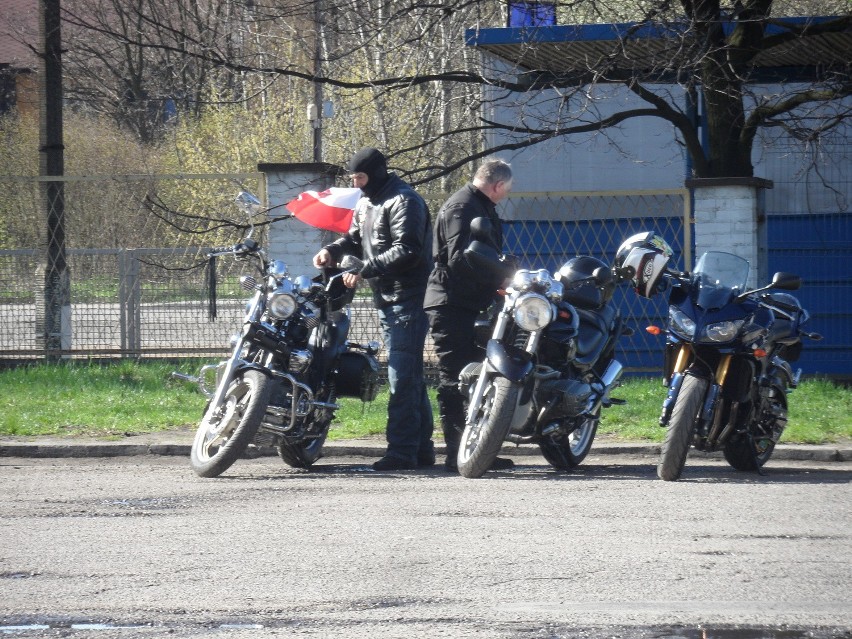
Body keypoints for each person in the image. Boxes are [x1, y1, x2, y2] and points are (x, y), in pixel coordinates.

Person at [313, 147, 435, 471]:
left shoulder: (404, 201)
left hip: (409, 298)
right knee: (408, 375)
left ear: (377, 172)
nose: (357, 184)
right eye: (353, 179)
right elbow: (353, 240)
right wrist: (330, 250)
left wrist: (365, 269)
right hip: (387, 299)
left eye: (361, 177)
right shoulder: (367, 202)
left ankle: (402, 452)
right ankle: (421, 450)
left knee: (400, 376)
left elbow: (408, 249)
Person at [424, 158, 515, 472]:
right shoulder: (463, 208)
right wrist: (498, 278)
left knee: (478, 377)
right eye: (507, 188)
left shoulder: (480, 206)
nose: (506, 193)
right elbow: (460, 258)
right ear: (498, 185)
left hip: (470, 303)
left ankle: (478, 448)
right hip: (451, 303)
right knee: (455, 377)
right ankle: (456, 453)